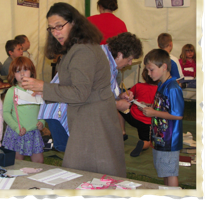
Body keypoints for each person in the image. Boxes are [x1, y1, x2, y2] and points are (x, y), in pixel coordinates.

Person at [22, 2, 126, 177]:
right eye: (51, 28)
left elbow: (79, 93)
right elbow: (78, 88)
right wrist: (44, 91)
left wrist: (44, 87)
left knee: (87, 173)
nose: (55, 32)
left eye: (59, 26)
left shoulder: (82, 50)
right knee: (93, 174)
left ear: (74, 23)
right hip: (90, 118)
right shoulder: (79, 48)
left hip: (93, 121)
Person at [38, 32, 143, 152]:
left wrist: (119, 96)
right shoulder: (100, 62)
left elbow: (102, 91)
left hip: (71, 109)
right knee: (76, 153)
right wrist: (117, 104)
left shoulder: (105, 57)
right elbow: (88, 96)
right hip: (61, 111)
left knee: (81, 153)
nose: (130, 63)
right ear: (120, 54)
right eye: (129, 59)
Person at [143, 48, 184, 187]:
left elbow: (177, 115)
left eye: (151, 69)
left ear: (164, 67)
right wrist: (150, 107)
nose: (149, 73)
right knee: (165, 172)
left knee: (170, 173)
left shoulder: (173, 87)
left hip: (169, 140)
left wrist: (154, 113)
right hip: (160, 137)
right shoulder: (161, 84)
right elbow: (163, 107)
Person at [2, 56, 45, 163]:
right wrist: (17, 127)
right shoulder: (12, 91)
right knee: (17, 162)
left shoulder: (37, 90)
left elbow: (42, 109)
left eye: (25, 70)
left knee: (39, 161)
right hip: (18, 133)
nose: (22, 74)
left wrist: (42, 123)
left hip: (34, 132)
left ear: (32, 71)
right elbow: (6, 113)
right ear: (13, 74)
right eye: (18, 71)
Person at [118, 68, 158, 157]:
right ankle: (142, 144)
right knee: (147, 141)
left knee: (119, 110)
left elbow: (128, 95)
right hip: (146, 122)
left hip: (133, 117)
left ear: (144, 75)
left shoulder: (138, 86)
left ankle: (123, 132)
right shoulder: (159, 90)